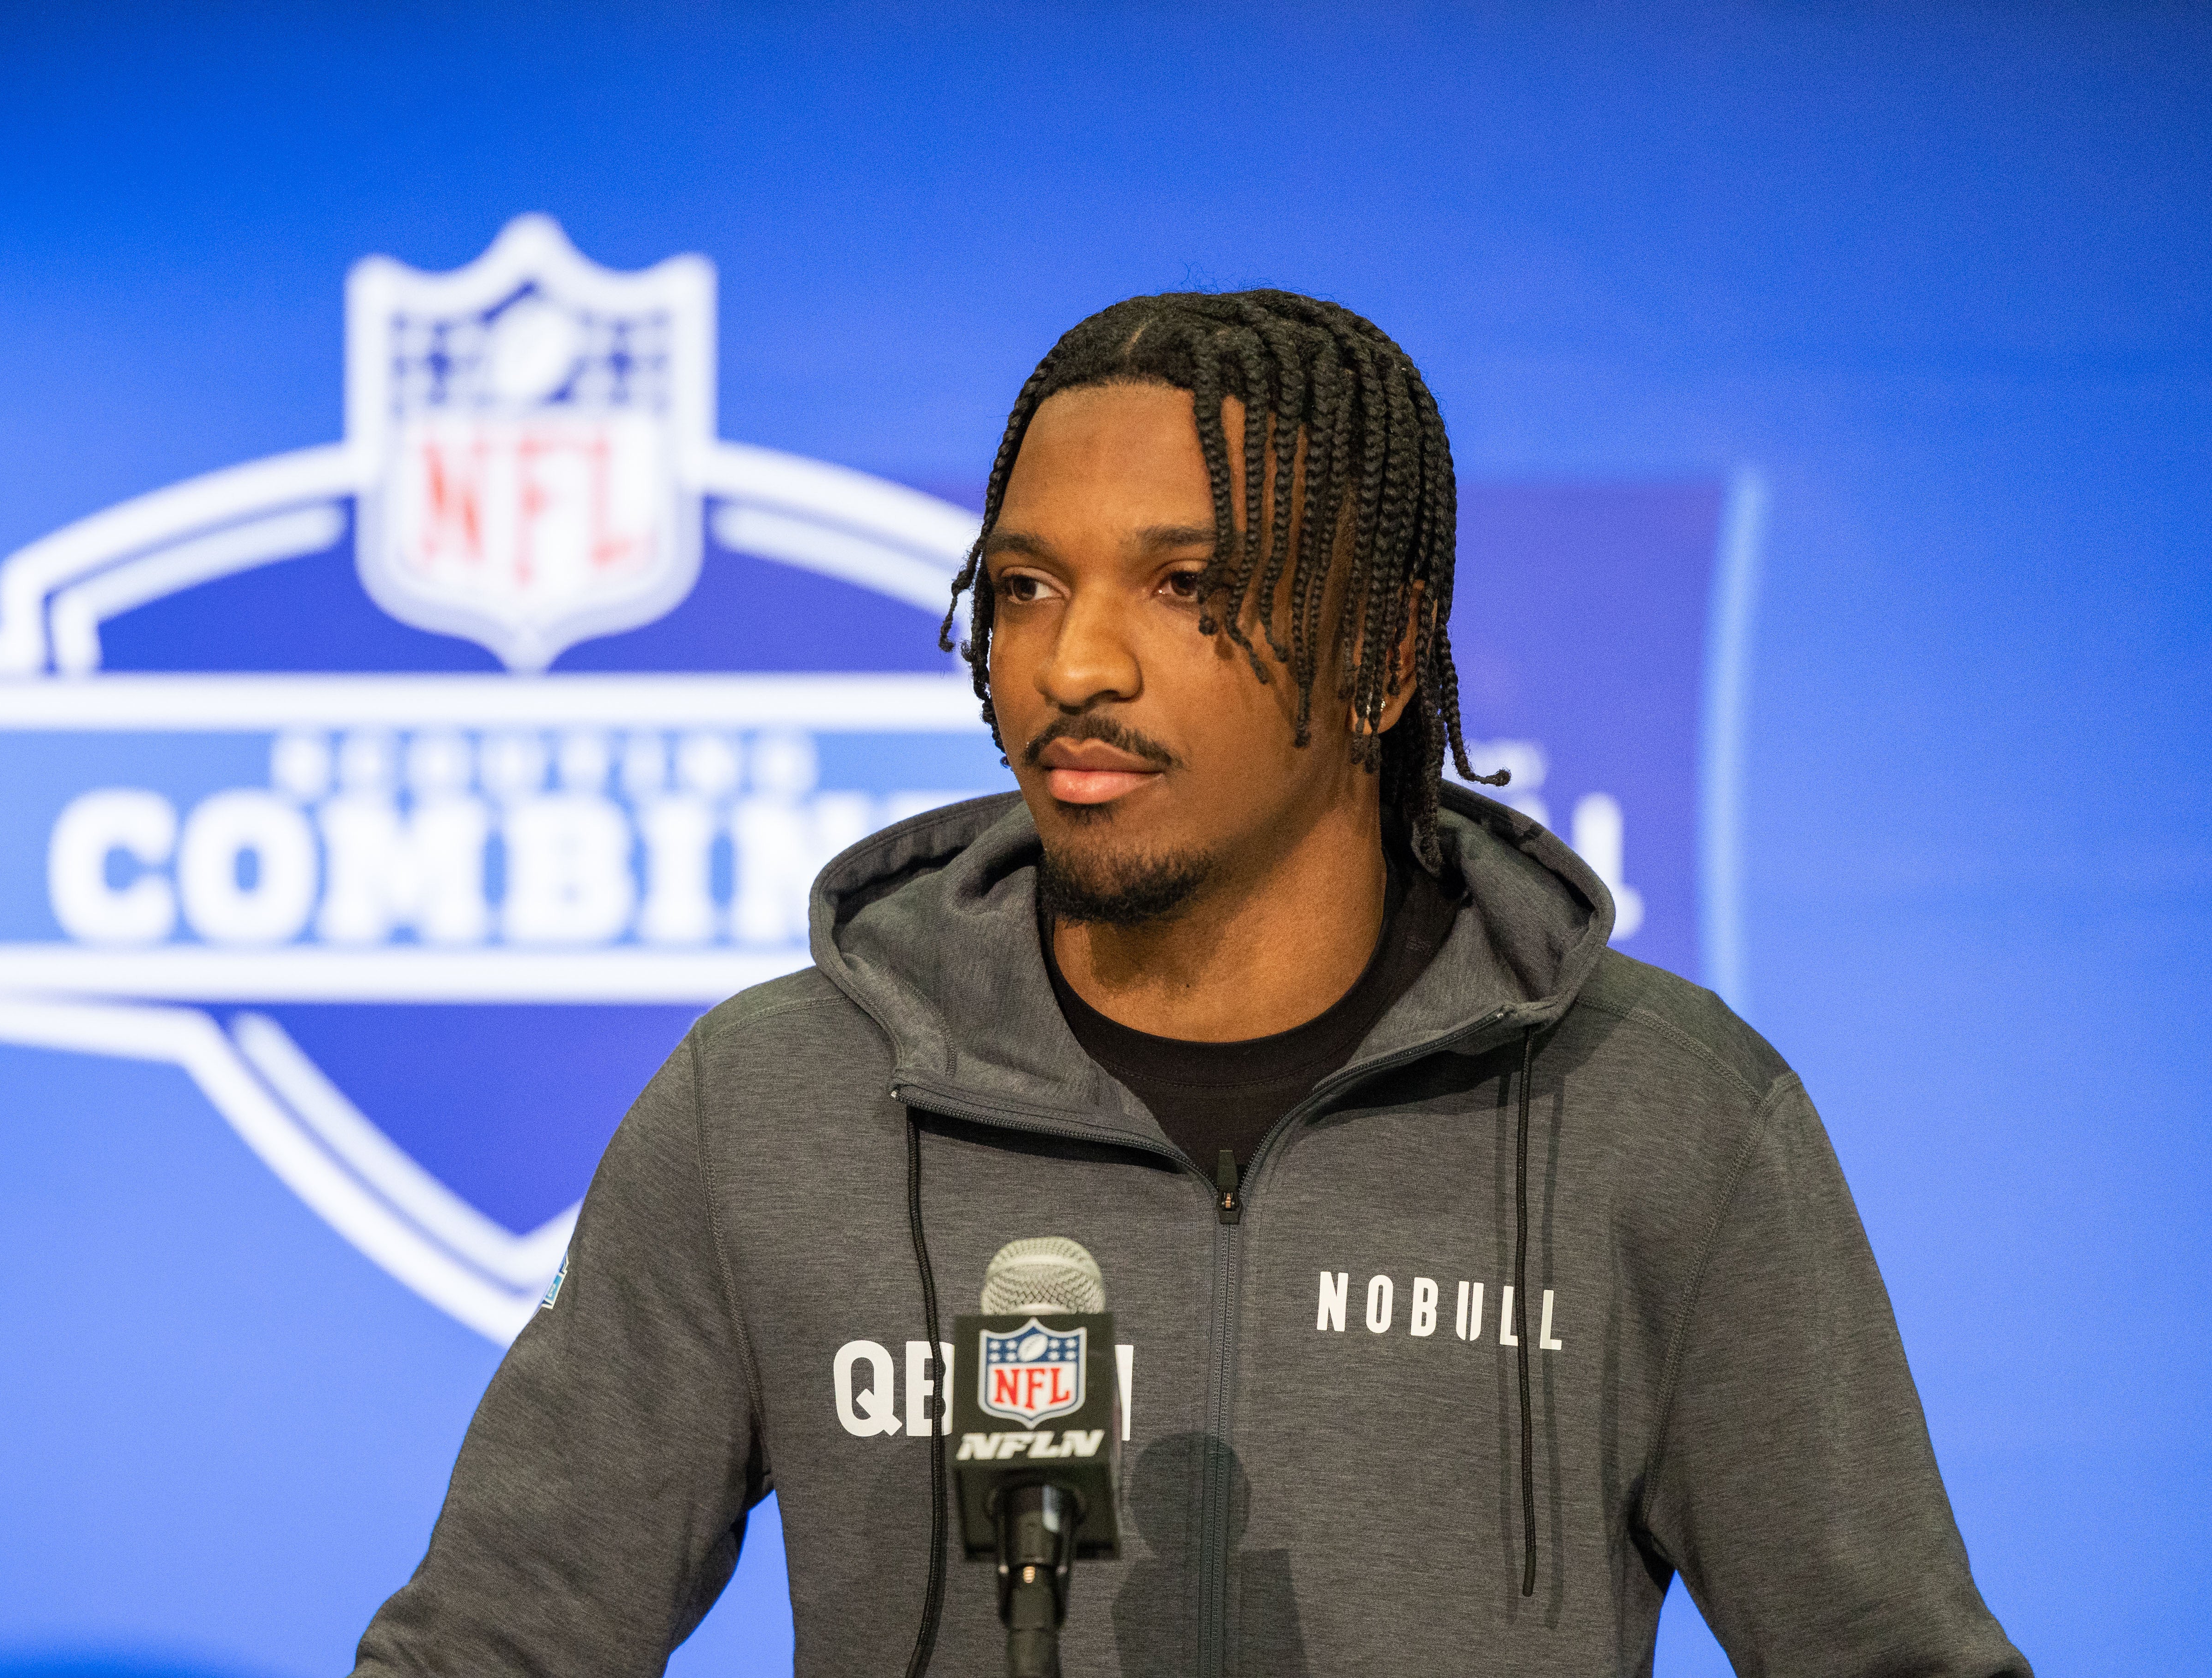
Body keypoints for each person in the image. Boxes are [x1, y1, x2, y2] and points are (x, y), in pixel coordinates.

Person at [351, 292, 2029, 1676]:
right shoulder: (772, 1105)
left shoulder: (1663, 1118)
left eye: (1187, 588)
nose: (1075, 664)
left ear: (1380, 657)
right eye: (1025, 590)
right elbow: (493, 1645)